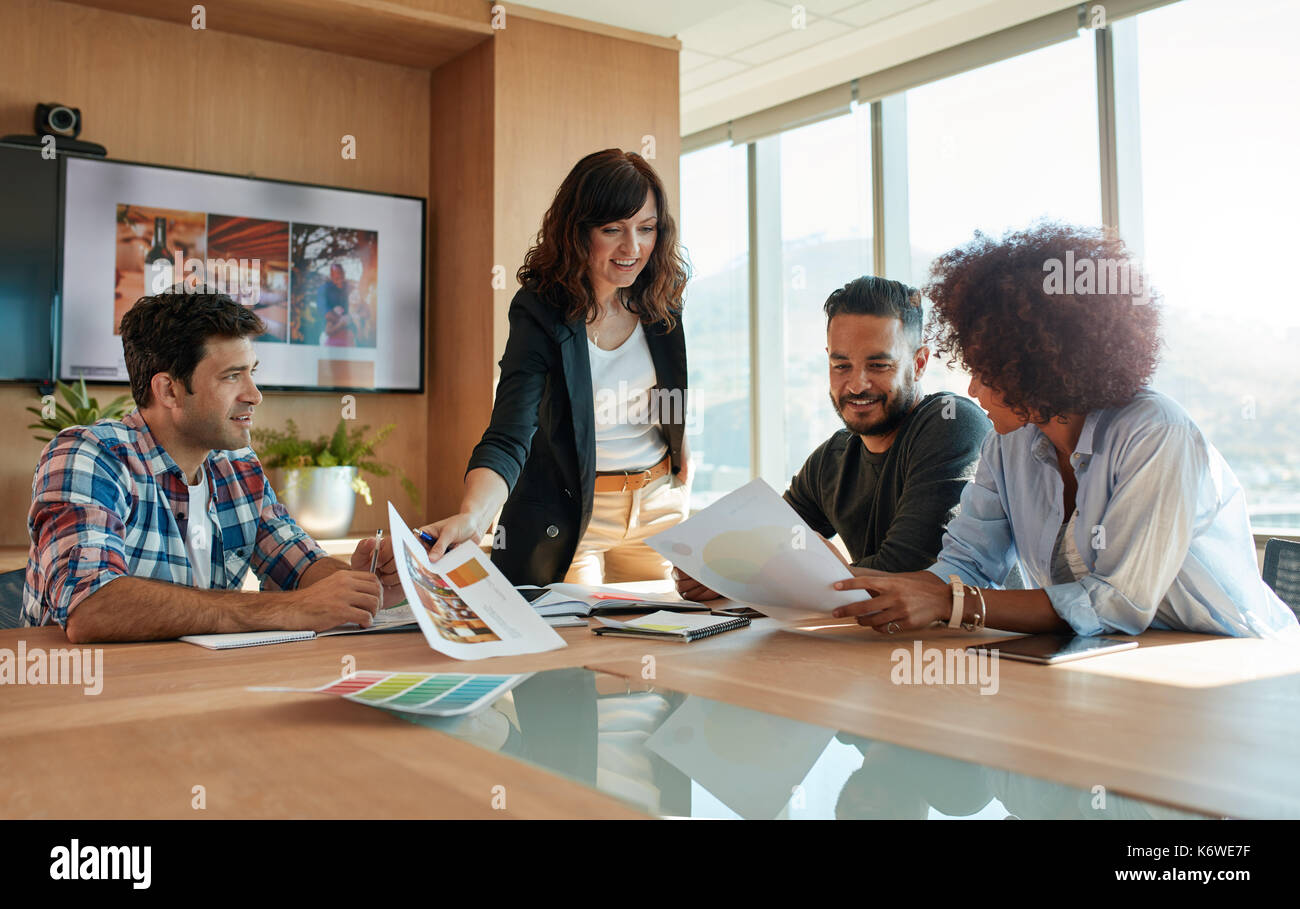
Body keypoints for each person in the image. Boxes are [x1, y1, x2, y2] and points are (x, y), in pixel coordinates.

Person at [831, 223, 1299, 640]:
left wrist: (956, 605)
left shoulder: (1156, 434)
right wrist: (854, 585)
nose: (972, 389)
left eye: (986, 370)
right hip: (1110, 662)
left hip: (1239, 664)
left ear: (1038, 368)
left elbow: (1118, 603)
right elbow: (966, 562)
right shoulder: (1006, 445)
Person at [22, 290, 401, 642]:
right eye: (232, 376)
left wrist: (367, 586)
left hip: (200, 688)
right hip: (85, 701)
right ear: (169, 390)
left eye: (252, 372)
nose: (255, 395)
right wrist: (291, 609)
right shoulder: (89, 456)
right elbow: (91, 608)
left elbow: (299, 564)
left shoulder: (237, 465)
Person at [421, 149, 691, 587]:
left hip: (658, 506)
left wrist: (682, 449)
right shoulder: (540, 311)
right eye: (612, 230)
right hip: (570, 514)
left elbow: (668, 385)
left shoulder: (662, 294)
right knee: (569, 641)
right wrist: (474, 515)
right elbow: (510, 432)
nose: (633, 247)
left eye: (646, 228)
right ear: (577, 232)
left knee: (663, 641)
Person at [675, 276, 990, 601]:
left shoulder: (951, 422)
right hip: (883, 643)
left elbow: (903, 575)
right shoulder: (832, 460)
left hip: (976, 643)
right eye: (841, 365)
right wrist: (712, 574)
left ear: (919, 363)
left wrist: (797, 571)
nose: (856, 385)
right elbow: (762, 548)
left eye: (878, 365)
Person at [317, 262, 355, 346]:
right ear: (331, 276)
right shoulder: (324, 289)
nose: (340, 277)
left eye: (341, 273)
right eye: (337, 274)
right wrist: (343, 320)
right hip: (329, 333)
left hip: (347, 334)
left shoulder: (349, 288)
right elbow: (324, 312)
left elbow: (357, 308)